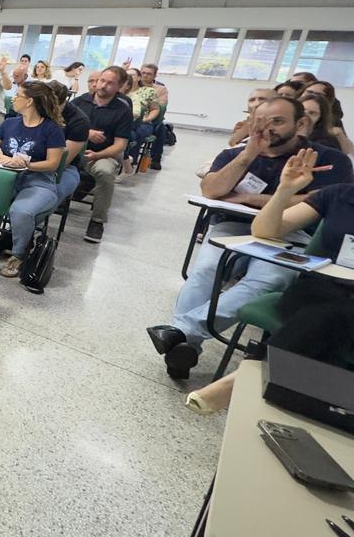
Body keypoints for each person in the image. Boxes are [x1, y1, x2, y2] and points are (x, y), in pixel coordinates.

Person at [146, 98, 352, 379]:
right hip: (232, 226)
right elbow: (212, 190)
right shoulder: (239, 152)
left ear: (300, 124)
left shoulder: (327, 160)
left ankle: (182, 333)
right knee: (206, 270)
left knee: (268, 279)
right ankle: (185, 346)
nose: (266, 128)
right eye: (259, 121)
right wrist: (248, 155)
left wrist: (251, 198)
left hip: (291, 233)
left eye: (277, 121)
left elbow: (320, 200)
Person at [0, 82, 66, 277]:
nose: (13, 98)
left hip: (39, 182)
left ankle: (19, 255)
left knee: (21, 210)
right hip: (7, 177)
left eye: (18, 95)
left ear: (29, 101)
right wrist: (6, 159)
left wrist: (26, 165)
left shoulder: (51, 128)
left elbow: (53, 163)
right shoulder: (10, 123)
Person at [69, 66, 132, 243]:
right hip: (74, 150)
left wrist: (97, 155)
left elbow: (120, 144)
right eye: (102, 80)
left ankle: (97, 221)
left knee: (105, 173)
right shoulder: (80, 102)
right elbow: (62, 125)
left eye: (110, 83)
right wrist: (86, 132)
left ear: (119, 87)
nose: (103, 85)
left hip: (102, 155)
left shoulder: (122, 109)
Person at [124, 67, 161, 169]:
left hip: (143, 122)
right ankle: (124, 159)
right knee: (129, 133)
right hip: (126, 121)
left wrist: (148, 119)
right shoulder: (122, 91)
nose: (129, 77)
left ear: (139, 78)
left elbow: (155, 108)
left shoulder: (149, 91)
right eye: (127, 75)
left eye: (132, 75)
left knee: (137, 133)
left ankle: (131, 162)